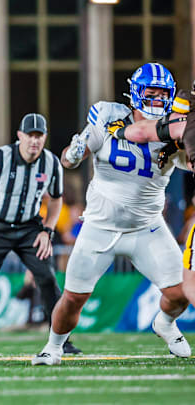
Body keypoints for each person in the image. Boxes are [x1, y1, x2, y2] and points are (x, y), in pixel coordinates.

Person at [33, 63, 192, 366]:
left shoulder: (173, 130)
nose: (157, 99)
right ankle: (53, 346)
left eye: (163, 94)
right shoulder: (108, 116)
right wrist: (73, 152)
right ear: (135, 92)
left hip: (147, 228)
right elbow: (69, 158)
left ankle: (165, 324)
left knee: (180, 293)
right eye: (152, 92)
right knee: (73, 298)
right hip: (100, 226)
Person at [0, 113, 80, 355]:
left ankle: (62, 341)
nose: (34, 141)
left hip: (29, 228)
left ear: (45, 137)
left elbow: (56, 199)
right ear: (20, 136)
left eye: (39, 136)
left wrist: (48, 230)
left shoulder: (51, 163)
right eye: (30, 135)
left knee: (46, 278)